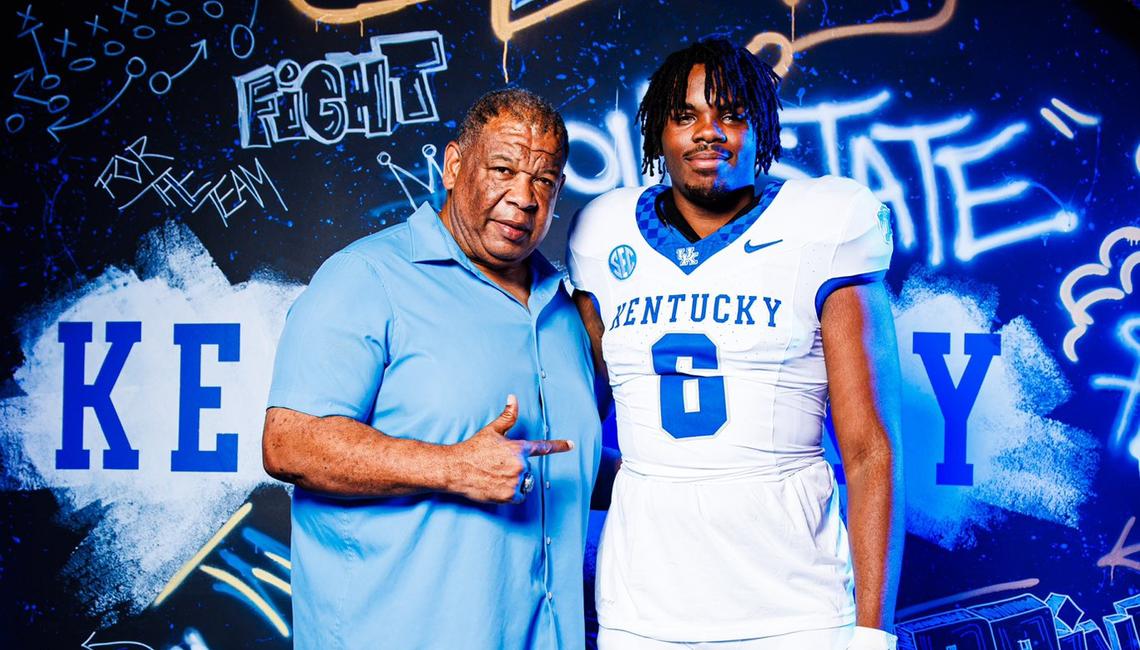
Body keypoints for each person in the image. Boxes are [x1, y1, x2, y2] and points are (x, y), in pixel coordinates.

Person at [567, 40, 904, 650]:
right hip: (643, 605)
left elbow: (869, 449)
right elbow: (579, 428)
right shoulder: (602, 232)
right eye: (685, 115)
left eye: (731, 114)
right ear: (658, 131)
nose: (709, 132)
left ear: (763, 127)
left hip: (795, 608)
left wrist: (873, 632)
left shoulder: (823, 224)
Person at [262, 88, 602, 650]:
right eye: (503, 169)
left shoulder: (567, 312)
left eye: (543, 180)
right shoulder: (365, 277)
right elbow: (289, 444)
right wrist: (452, 467)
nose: (524, 197)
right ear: (453, 165)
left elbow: (567, 462)